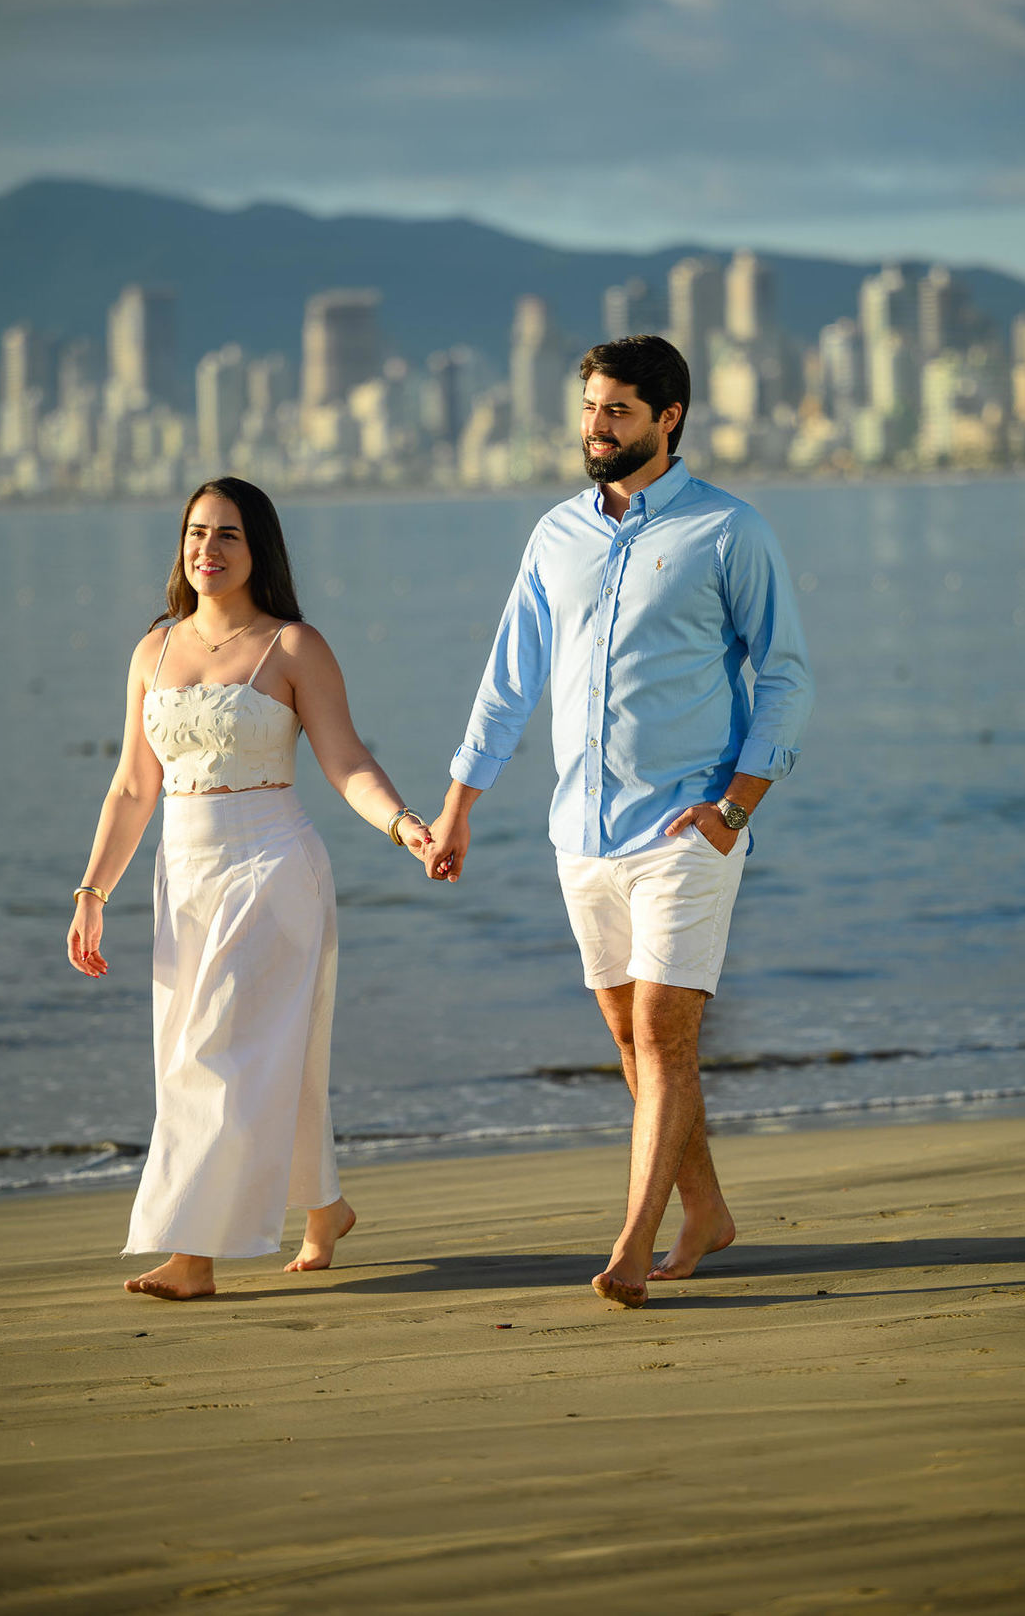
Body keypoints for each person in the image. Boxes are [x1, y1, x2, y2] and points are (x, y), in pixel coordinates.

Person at [423, 336, 813, 1309]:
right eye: (590, 409)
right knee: (631, 1040)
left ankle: (633, 1242)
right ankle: (708, 1210)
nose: (596, 428)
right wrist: (458, 805)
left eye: (617, 412)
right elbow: (509, 677)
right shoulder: (555, 534)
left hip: (689, 828)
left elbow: (788, 674)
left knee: (664, 1031)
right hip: (579, 834)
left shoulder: (730, 531)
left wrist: (736, 805)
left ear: (668, 418)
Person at [67, 477, 432, 1300]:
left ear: (258, 547)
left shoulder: (294, 646)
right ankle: (326, 1207)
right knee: (257, 1056)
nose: (208, 549)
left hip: (272, 865)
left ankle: (192, 1255)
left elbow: (345, 760)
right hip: (182, 874)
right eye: (196, 533)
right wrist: (93, 892)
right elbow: (131, 788)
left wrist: (404, 825)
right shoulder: (153, 650)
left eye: (227, 534)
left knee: (217, 1052)